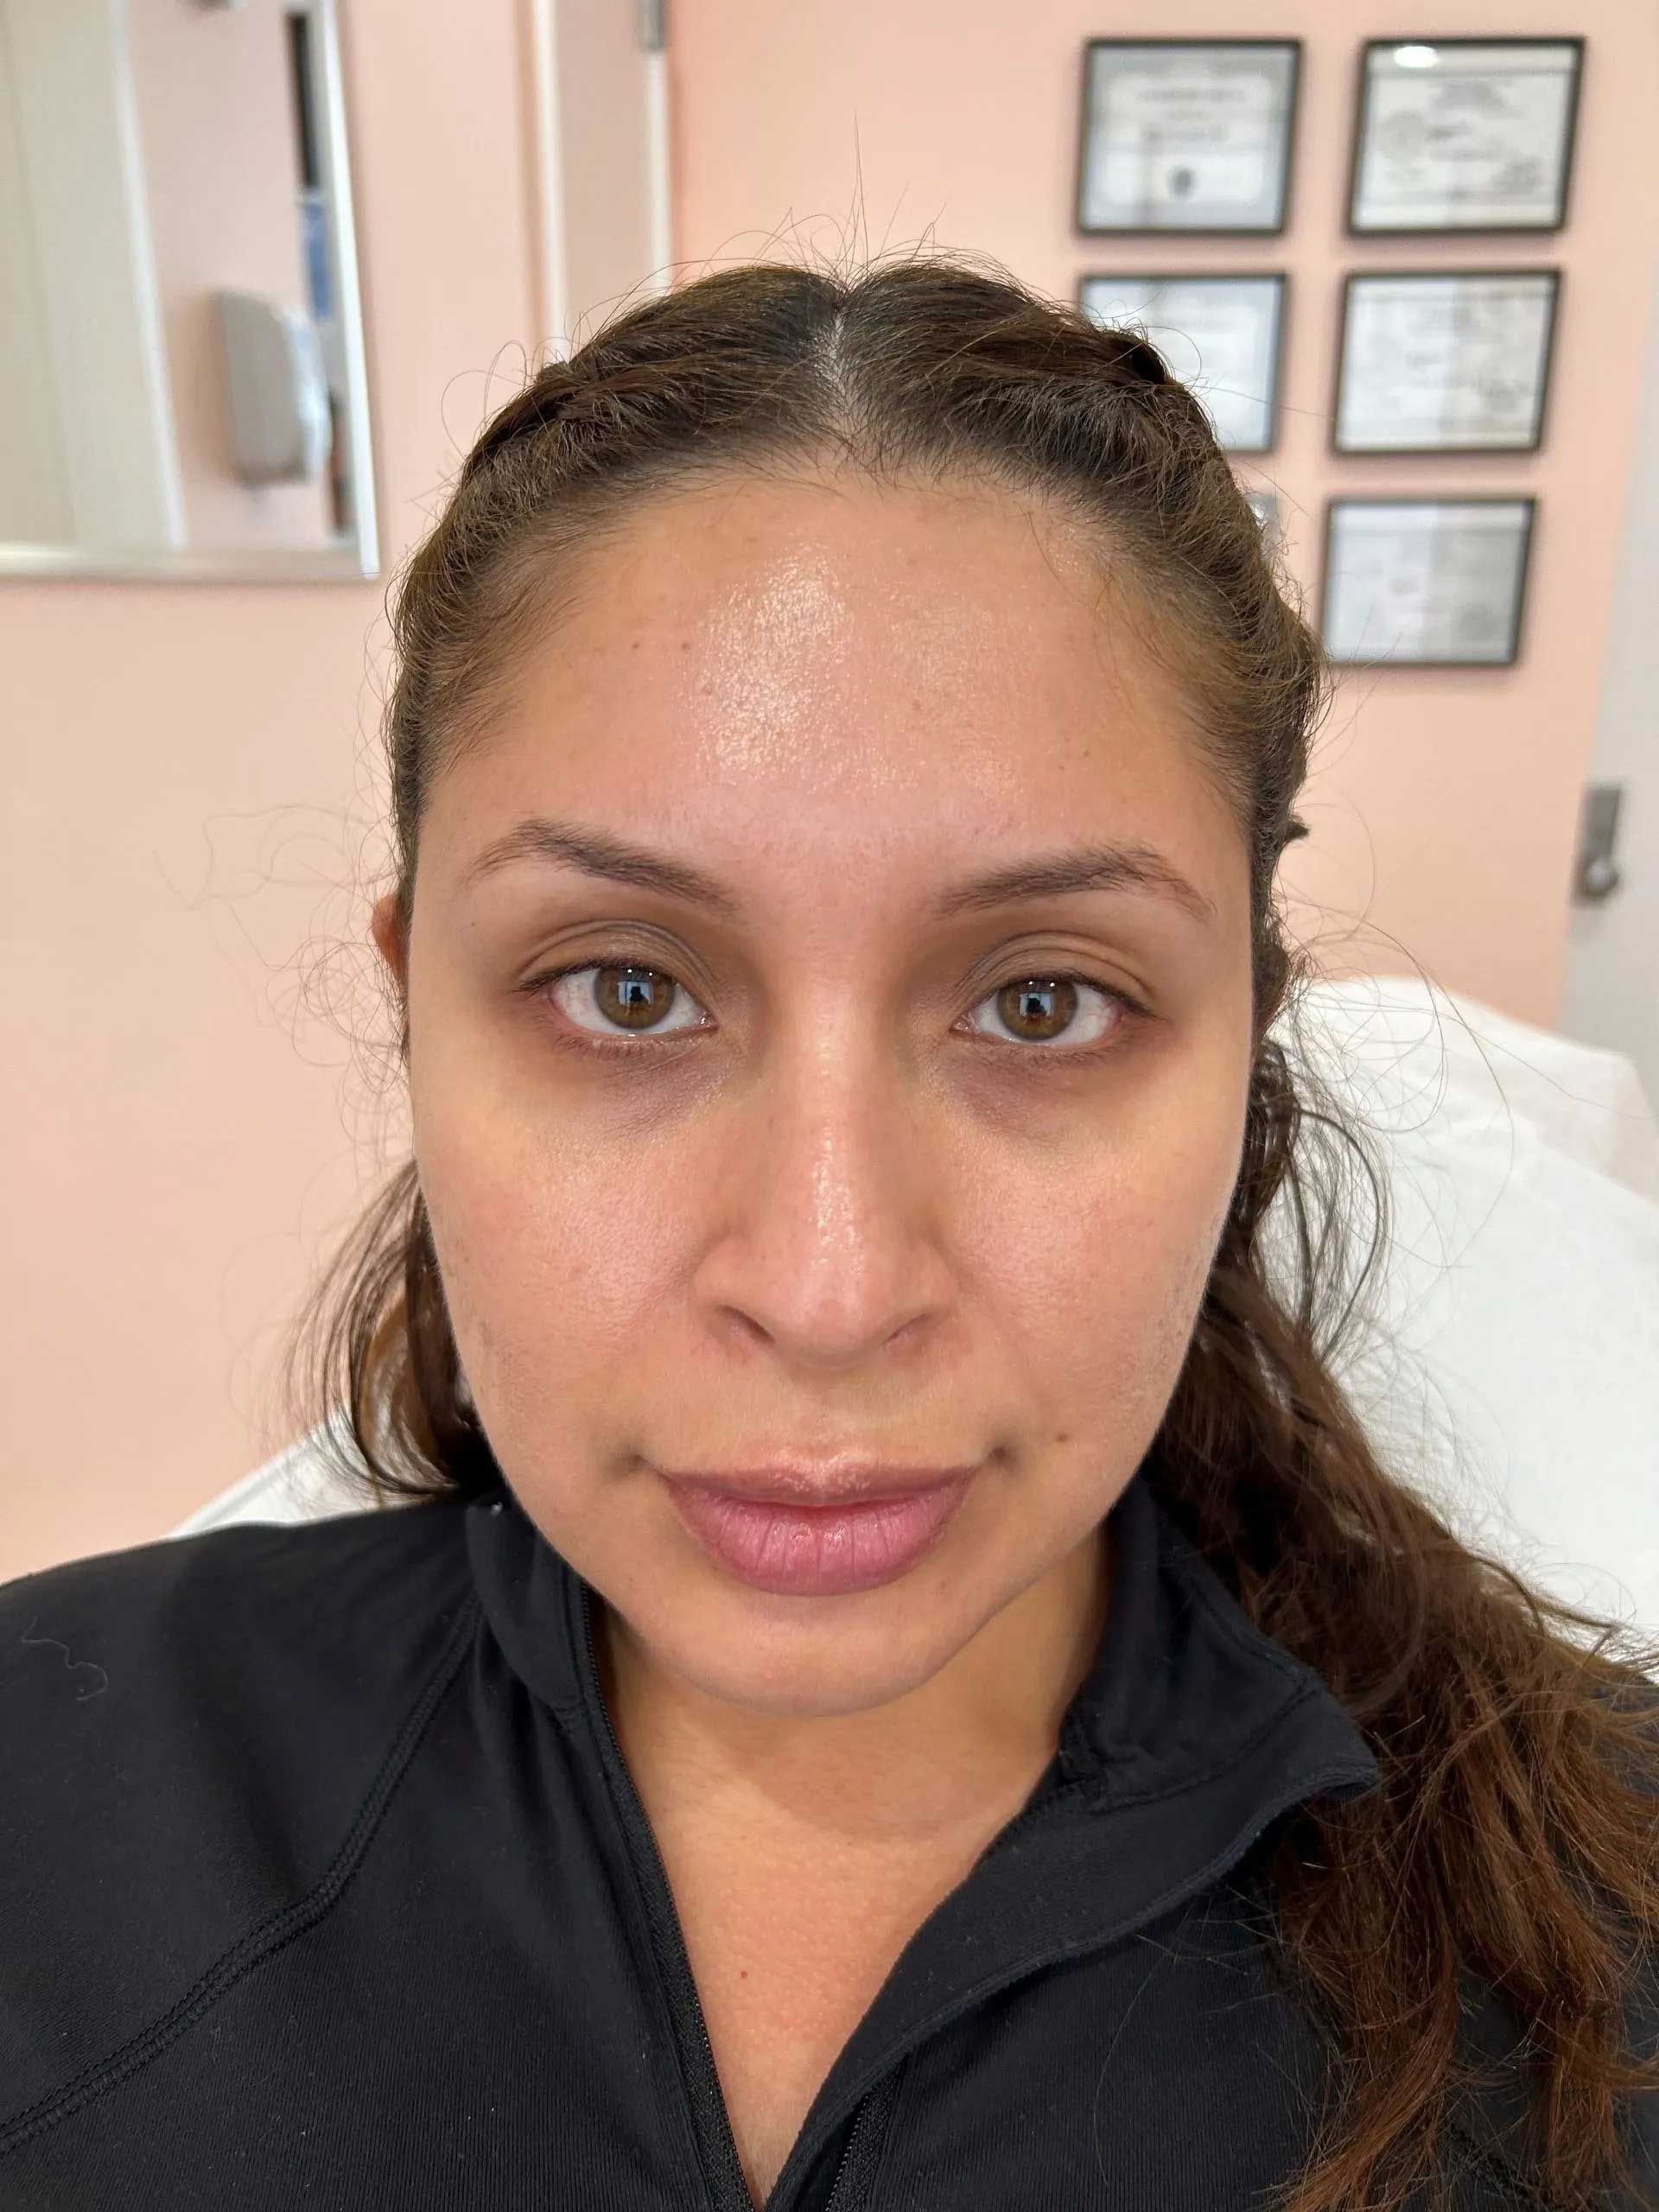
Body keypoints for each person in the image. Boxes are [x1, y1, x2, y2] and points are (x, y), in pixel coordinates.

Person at [4, 251, 1656, 2212]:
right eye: (626, 989)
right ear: (413, 1003)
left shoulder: (1601, 1929)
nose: (829, 1282)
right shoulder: (49, 1799)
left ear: (1245, 1047)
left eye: (1043, 1000)